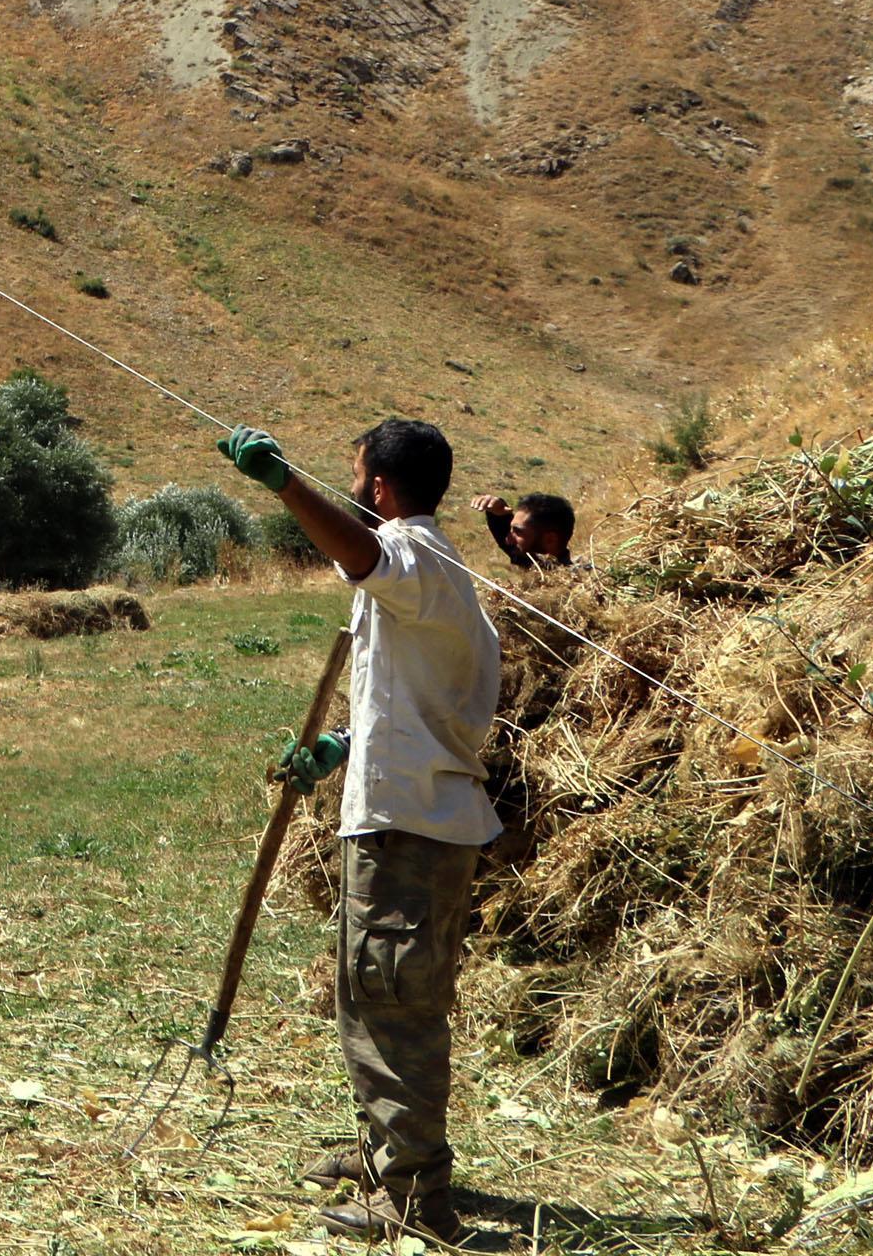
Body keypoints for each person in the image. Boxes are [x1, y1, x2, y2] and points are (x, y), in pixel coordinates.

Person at [218, 417, 500, 1245]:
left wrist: (282, 484)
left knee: (391, 1005)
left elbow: (366, 552)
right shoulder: (429, 576)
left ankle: (414, 1197)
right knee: (374, 996)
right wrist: (340, 749)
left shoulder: (413, 554)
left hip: (410, 825)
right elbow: (424, 700)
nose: (350, 489)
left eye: (353, 477)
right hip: (415, 811)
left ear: (377, 486)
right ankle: (388, 1154)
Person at [474, 490, 575, 570]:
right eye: (511, 530)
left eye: (518, 531)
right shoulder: (532, 565)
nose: (508, 539)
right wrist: (498, 515)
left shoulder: (574, 586)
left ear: (550, 539)